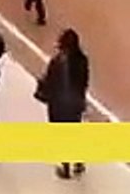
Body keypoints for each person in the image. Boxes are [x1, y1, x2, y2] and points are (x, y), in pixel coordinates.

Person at [36, 29, 90, 180]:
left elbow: (49, 81)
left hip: (59, 103)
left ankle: (65, 167)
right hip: (75, 103)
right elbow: (85, 82)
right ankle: (78, 162)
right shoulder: (82, 60)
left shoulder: (57, 61)